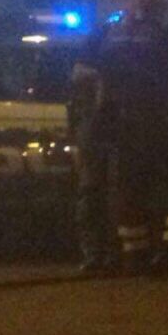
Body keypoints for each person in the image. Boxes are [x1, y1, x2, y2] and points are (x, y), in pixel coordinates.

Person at [84, 0, 168, 276]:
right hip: (162, 122)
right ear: (160, 7)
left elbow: (88, 73)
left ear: (130, 5)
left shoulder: (108, 35)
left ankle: (135, 255)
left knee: (128, 191)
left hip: (121, 126)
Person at [70, 21, 116, 274]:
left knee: (99, 192)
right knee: (94, 192)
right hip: (99, 132)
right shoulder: (94, 69)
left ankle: (104, 254)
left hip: (108, 131)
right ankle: (97, 254)